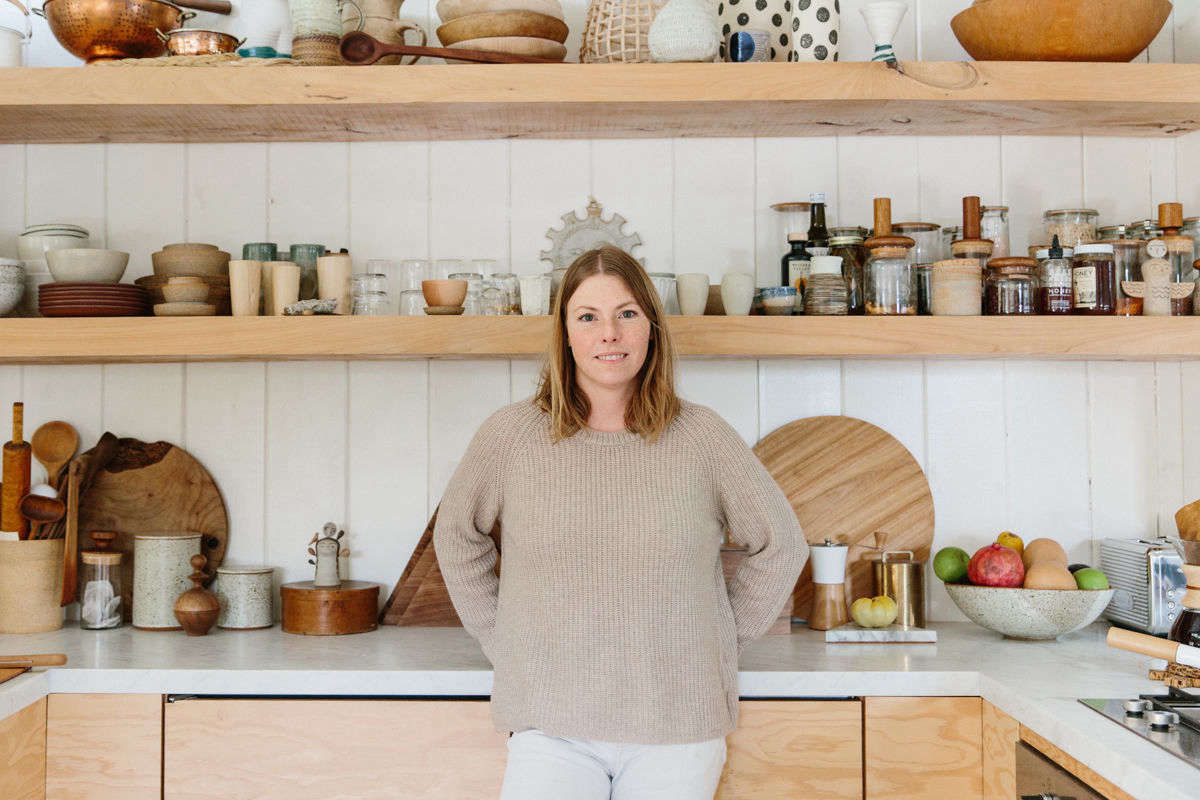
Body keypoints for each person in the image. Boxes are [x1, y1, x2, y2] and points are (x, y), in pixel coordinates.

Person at [433, 246, 808, 799]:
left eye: (626, 313)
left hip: (678, 726)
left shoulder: (702, 436)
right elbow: (456, 536)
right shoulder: (511, 436)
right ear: (565, 334)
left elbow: (782, 545)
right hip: (550, 724)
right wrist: (501, 636)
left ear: (651, 327)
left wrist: (721, 639)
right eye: (588, 316)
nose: (609, 333)